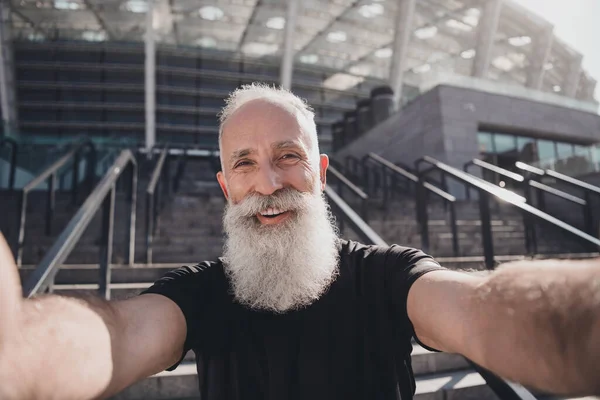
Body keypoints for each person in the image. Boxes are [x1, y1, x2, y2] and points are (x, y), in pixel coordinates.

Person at [0, 83, 599, 400]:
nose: (269, 183)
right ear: (225, 186)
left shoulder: (386, 278)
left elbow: (481, 308)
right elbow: (120, 334)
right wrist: (22, 353)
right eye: (245, 164)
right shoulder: (200, 295)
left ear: (322, 170)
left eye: (289, 156)